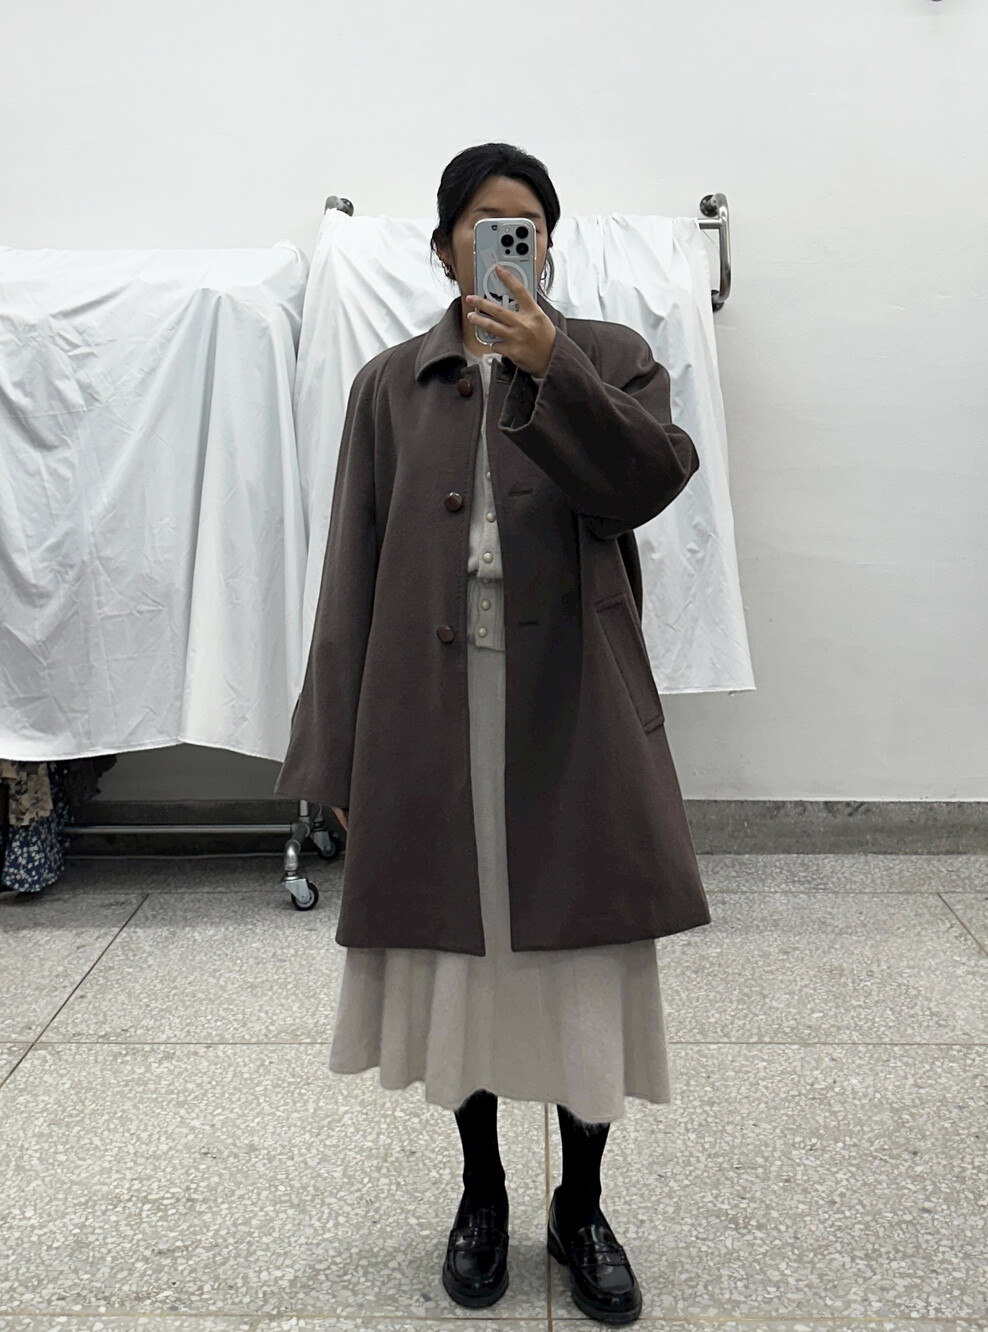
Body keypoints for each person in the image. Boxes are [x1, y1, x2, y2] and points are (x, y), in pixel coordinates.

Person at [288, 142, 708, 1326]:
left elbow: (646, 482)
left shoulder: (610, 360)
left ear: (548, 249)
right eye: (483, 225)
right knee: (459, 968)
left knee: (581, 961)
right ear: (442, 249)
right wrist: (335, 753)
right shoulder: (389, 385)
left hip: (572, 713)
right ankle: (481, 1193)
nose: (504, 244)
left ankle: (582, 1206)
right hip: (432, 717)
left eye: (525, 227)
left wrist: (550, 367)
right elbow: (351, 565)